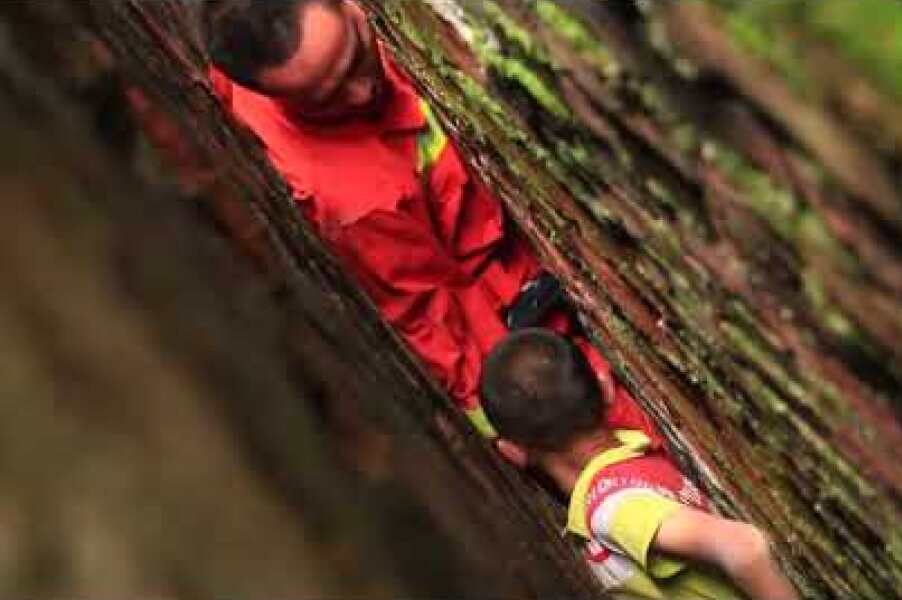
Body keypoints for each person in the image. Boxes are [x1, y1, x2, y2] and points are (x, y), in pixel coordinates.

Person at [199, 0, 659, 439]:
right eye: (327, 96)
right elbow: (438, 319)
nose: (362, 91)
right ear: (275, 93)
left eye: (356, 52)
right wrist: (533, 422)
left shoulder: (250, 35)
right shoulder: (355, 202)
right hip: (506, 293)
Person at [480, 329, 799, 600]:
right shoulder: (636, 458)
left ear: (513, 451)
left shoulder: (613, 508)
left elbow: (744, 546)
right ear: (605, 388)